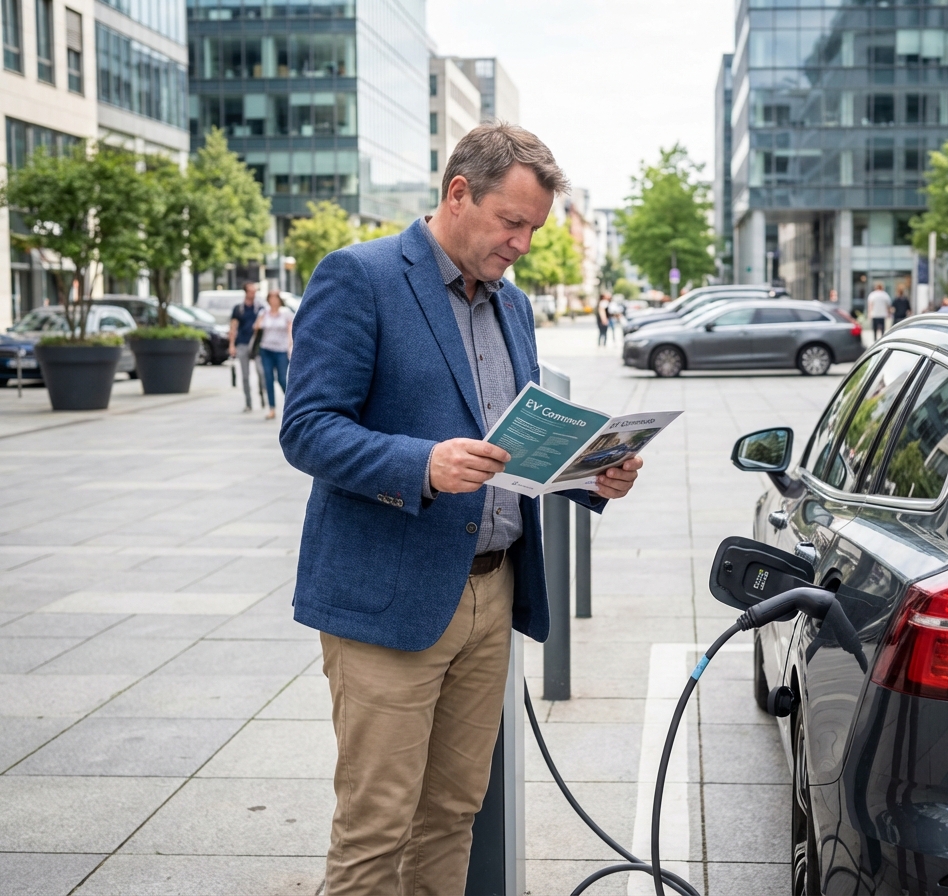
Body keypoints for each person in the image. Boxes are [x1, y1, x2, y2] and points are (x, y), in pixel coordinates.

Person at [279, 123, 643, 896]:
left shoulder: (511, 307)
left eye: (534, 229)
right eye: (512, 222)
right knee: (377, 827)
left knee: (452, 812)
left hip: (492, 591)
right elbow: (307, 429)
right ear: (457, 194)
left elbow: (515, 446)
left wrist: (589, 476)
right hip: (389, 600)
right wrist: (423, 464)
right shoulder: (360, 276)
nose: (522, 243)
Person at [254, 289, 293, 420]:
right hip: (266, 349)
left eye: (275, 298)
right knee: (268, 379)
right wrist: (261, 319)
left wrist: (291, 346)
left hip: (281, 350)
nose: (273, 300)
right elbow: (256, 328)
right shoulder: (263, 312)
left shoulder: (286, 312)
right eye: (271, 298)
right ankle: (271, 408)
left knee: (282, 378)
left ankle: (291, 405)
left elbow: (291, 329)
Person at [228, 282, 263, 412]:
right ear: (246, 292)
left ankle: (262, 393)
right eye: (251, 291)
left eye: (254, 291)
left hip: (256, 345)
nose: (253, 294)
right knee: (245, 375)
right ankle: (248, 403)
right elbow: (233, 327)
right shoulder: (239, 309)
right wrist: (231, 345)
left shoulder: (260, 308)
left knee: (261, 372)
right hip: (242, 344)